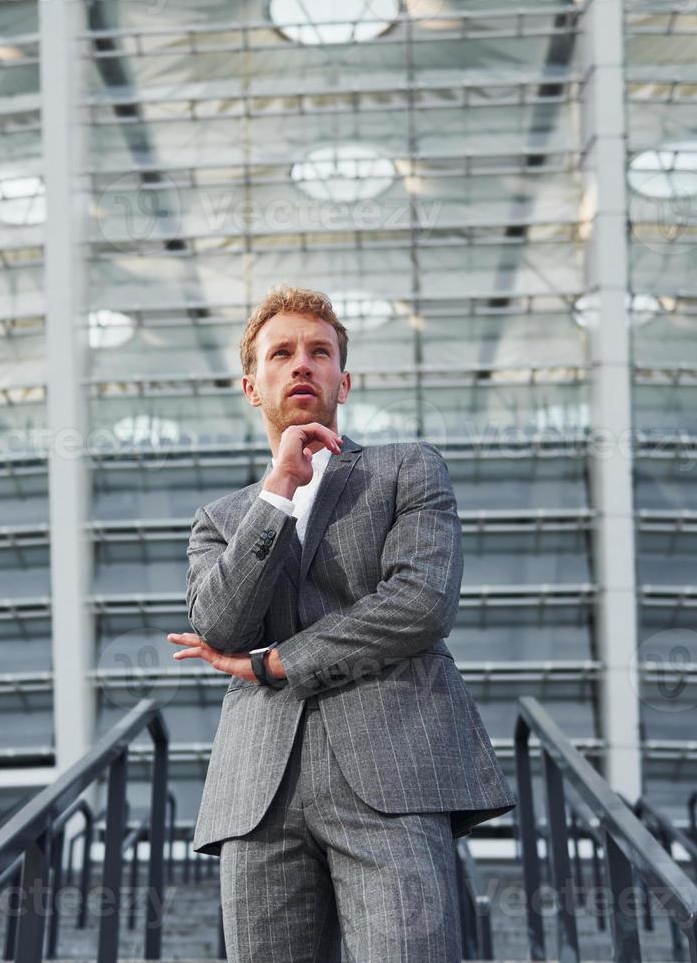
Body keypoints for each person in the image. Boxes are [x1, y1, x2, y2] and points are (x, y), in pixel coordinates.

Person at [167, 285, 514, 962]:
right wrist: (277, 492)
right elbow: (219, 623)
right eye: (282, 353)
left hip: (393, 770)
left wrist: (278, 662)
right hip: (257, 793)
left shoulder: (405, 469)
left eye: (319, 352)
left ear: (342, 380)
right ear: (251, 385)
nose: (302, 364)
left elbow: (419, 603)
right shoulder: (222, 519)